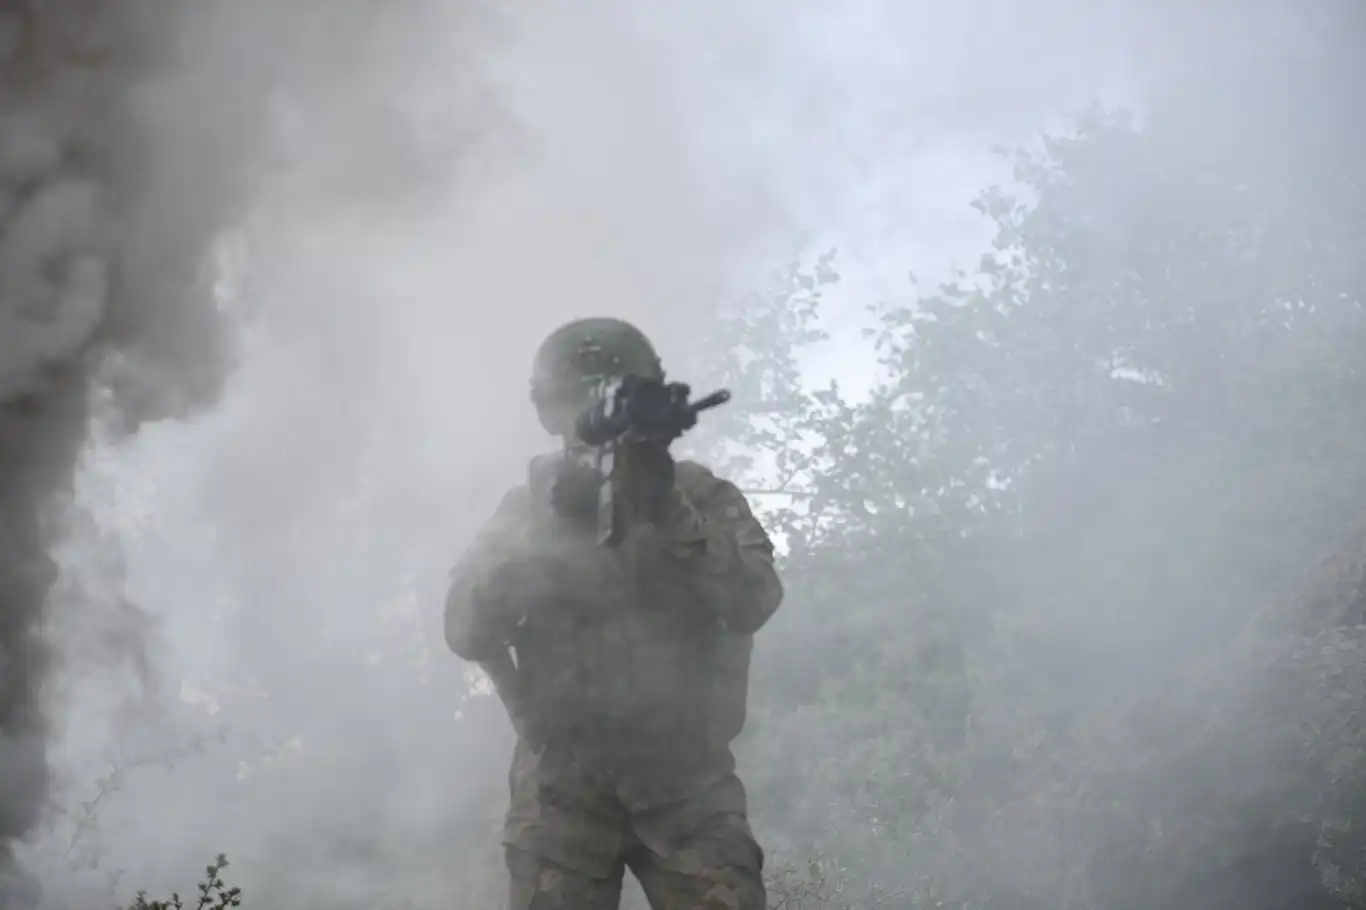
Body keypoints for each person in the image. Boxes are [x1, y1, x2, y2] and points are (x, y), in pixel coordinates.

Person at [444, 317, 783, 910]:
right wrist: (545, 539)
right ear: (551, 417)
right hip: (561, 788)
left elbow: (753, 600)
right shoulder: (524, 509)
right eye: (575, 406)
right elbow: (464, 630)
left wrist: (664, 507)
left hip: (687, 781)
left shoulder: (699, 496)